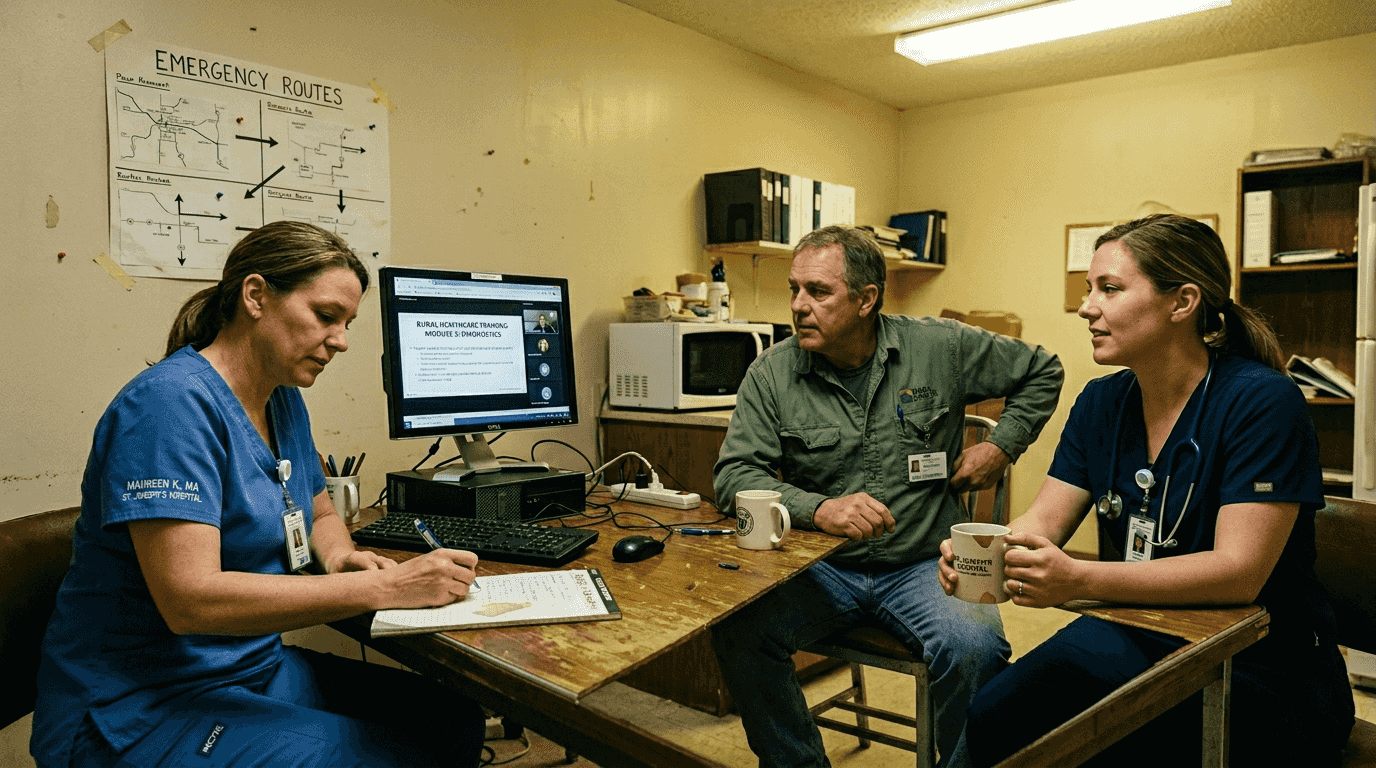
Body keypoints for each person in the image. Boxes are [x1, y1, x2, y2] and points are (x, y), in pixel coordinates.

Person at [31, 221, 486, 768]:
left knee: (454, 720)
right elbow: (190, 600)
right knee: (391, 759)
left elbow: (317, 507)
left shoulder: (281, 397)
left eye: (347, 324)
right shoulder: (168, 407)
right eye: (325, 316)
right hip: (138, 705)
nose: (340, 340)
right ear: (255, 296)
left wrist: (339, 556)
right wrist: (385, 587)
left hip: (248, 668)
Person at [945, 214, 1355, 767]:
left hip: (1260, 663)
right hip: (1139, 631)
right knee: (995, 713)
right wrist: (985, 554)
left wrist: (1079, 579)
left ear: (1182, 302)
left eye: (1109, 288)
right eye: (1089, 289)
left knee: (1089, 745)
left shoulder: (1263, 402)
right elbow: (1042, 523)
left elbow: (1239, 571)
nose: (1087, 307)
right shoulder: (1101, 403)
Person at [711, 225, 1064, 768]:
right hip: (821, 567)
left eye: (818, 291)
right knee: (736, 627)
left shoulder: (941, 347)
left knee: (976, 649)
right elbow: (734, 476)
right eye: (794, 289)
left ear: (866, 299)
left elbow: (1043, 369)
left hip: (927, 561)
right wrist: (818, 509)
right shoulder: (772, 373)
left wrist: (1001, 447)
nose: (799, 306)